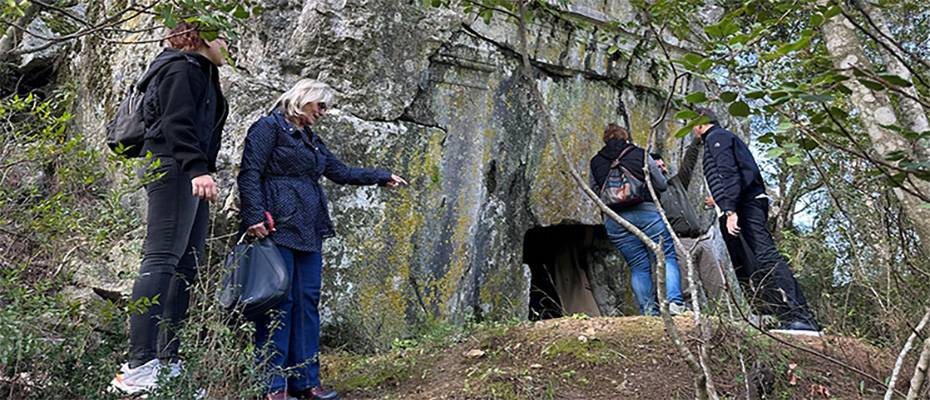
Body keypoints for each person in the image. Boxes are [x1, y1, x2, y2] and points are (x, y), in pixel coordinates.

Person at [237, 79, 408, 400]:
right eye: (321, 105)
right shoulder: (268, 127)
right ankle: (272, 387)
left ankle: (305, 383)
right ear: (304, 99)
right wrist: (254, 216)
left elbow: (340, 171)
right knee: (278, 303)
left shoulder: (312, 140)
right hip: (277, 227)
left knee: (307, 302)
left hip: (309, 228)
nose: (323, 112)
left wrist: (381, 176)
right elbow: (249, 172)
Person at [110, 22, 230, 395]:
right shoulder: (179, 67)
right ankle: (138, 365)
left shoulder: (201, 71)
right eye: (225, 37)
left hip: (189, 171)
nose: (228, 45)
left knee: (185, 266)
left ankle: (167, 362)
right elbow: (176, 124)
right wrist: (197, 168)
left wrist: (201, 169)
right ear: (204, 37)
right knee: (161, 260)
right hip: (172, 167)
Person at [693, 108, 819, 332]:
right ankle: (782, 315)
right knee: (752, 263)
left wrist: (730, 210)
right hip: (743, 204)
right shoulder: (721, 138)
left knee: (765, 256)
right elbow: (738, 174)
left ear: (700, 123)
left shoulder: (717, 137)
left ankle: (800, 316)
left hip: (744, 207)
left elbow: (728, 172)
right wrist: (720, 200)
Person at [590, 123, 687, 316]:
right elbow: (661, 184)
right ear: (625, 137)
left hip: (615, 218)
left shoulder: (595, 161)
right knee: (666, 256)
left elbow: (594, 191)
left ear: (605, 139)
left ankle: (649, 312)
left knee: (637, 265)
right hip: (647, 211)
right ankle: (675, 304)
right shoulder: (640, 154)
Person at [650, 146, 725, 303]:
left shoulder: (677, 182)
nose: (662, 169)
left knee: (716, 281)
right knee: (683, 283)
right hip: (678, 241)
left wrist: (697, 141)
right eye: (658, 167)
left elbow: (688, 164)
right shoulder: (651, 192)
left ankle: (722, 314)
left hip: (701, 237)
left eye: (663, 166)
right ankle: (687, 316)